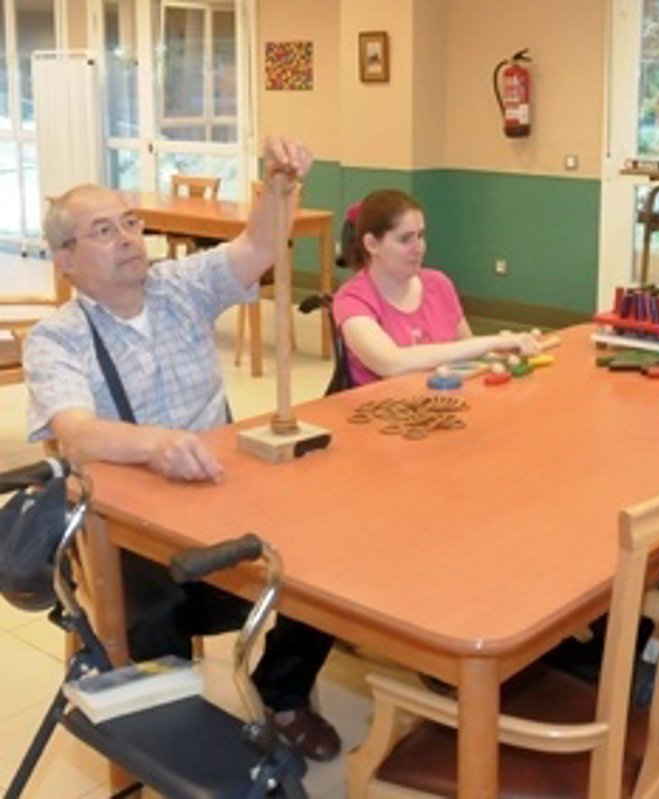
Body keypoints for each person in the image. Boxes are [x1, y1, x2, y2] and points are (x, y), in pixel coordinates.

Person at [23, 137, 341, 762]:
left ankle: (282, 691)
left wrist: (277, 184)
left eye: (130, 223)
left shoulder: (179, 287)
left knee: (329, 555)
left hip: (220, 496)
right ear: (66, 259)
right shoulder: (57, 338)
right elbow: (78, 432)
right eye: (103, 231)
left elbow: (256, 248)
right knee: (154, 611)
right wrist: (157, 445)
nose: (127, 239)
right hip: (132, 529)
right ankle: (177, 745)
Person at [333, 189, 542, 386]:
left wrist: (504, 350)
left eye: (420, 236)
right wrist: (493, 342)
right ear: (371, 244)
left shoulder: (439, 284)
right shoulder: (352, 300)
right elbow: (391, 363)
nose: (418, 248)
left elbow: (467, 350)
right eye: (405, 239)